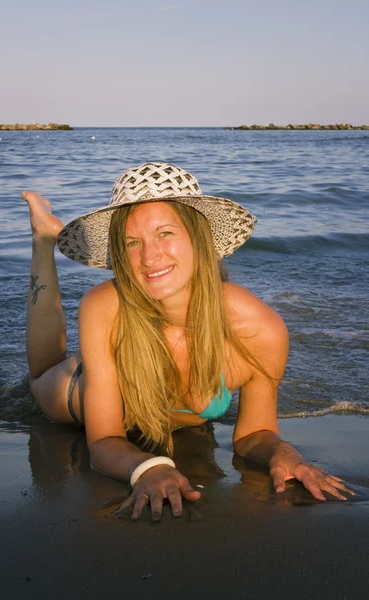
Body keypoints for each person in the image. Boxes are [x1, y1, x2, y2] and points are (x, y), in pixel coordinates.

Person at [23, 162, 352, 521]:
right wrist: (146, 468)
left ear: (199, 237)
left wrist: (282, 453)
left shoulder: (260, 330)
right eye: (133, 242)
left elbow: (255, 433)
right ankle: (43, 240)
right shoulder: (104, 307)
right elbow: (103, 441)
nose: (149, 258)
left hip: (163, 411)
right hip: (82, 390)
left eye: (165, 233)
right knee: (41, 376)